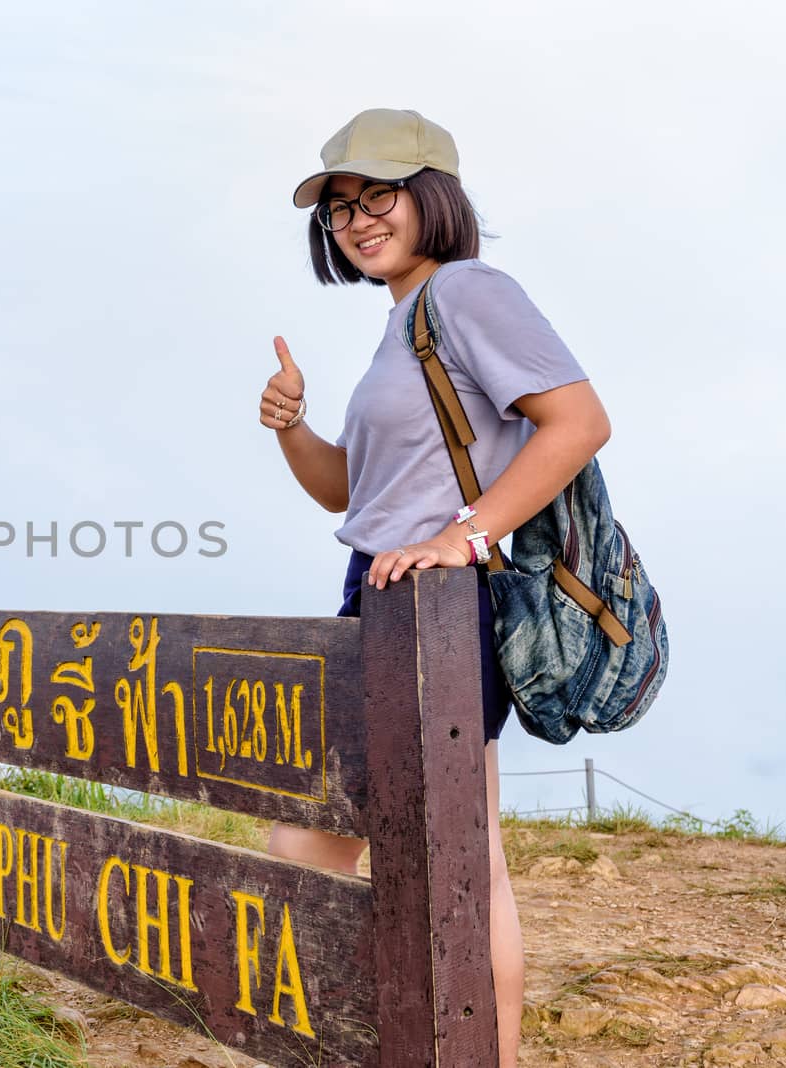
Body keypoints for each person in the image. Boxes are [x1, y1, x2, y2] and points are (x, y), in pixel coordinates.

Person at [259, 108, 611, 1067]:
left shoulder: (468, 292)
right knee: (459, 852)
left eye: (379, 196)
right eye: (339, 210)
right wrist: (292, 428)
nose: (359, 220)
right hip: (388, 588)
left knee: (328, 847)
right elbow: (354, 494)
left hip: (439, 601)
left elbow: (578, 423)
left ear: (434, 197)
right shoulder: (406, 320)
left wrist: (464, 538)